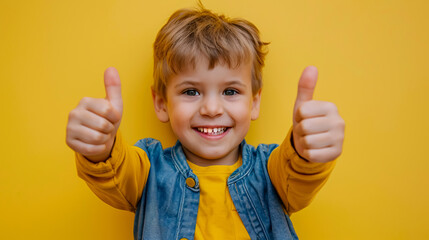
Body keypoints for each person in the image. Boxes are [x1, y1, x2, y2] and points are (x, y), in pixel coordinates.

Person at [66, 6, 344, 240]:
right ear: (161, 103)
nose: (211, 109)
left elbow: (297, 171)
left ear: (255, 102)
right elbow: (115, 173)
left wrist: (305, 148)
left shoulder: (271, 171)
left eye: (230, 91)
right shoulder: (148, 170)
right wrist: (100, 147)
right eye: (191, 91)